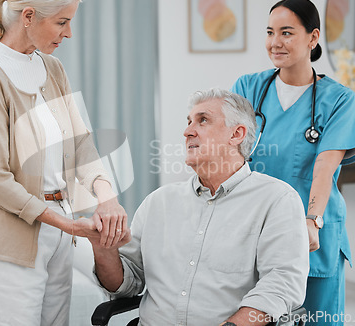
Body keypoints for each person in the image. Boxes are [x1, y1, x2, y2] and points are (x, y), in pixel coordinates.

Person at [0, 0, 129, 325]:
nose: (69, 33)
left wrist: (106, 196)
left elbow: (82, 146)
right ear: (29, 16)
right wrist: (69, 226)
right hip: (6, 246)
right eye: (61, 22)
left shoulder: (52, 69)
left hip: (57, 234)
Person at [91, 89, 309, 326]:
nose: (187, 132)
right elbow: (126, 285)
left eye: (202, 120)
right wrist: (103, 248)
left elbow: (280, 285)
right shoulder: (158, 202)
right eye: (189, 122)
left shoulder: (277, 200)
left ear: (236, 134)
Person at [231, 0, 355, 325]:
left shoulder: (339, 99)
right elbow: (230, 155)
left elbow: (324, 168)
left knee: (317, 320)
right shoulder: (248, 88)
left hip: (312, 232)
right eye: (269, 32)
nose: (274, 42)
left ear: (313, 37)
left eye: (287, 32)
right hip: (256, 229)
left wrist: (312, 219)